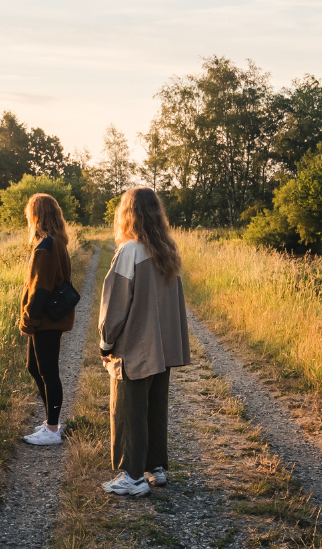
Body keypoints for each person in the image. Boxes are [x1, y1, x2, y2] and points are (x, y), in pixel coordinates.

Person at [98, 187, 190, 497]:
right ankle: (155, 468)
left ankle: (133, 476)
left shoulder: (131, 251)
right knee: (154, 408)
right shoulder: (166, 249)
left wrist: (105, 343)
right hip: (161, 349)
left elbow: (115, 306)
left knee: (129, 409)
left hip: (136, 348)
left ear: (128, 214)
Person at [19, 193, 74, 446]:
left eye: (30, 213)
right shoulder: (56, 242)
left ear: (37, 215)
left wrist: (28, 322)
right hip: (49, 319)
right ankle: (52, 422)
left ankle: (52, 429)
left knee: (48, 372)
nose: (28, 218)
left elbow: (39, 289)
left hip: (46, 320)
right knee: (35, 367)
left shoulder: (46, 247)